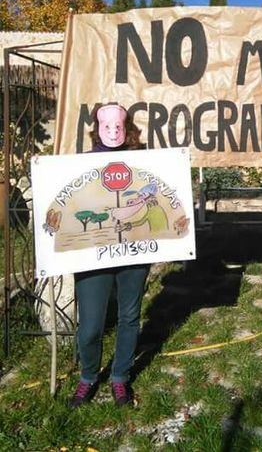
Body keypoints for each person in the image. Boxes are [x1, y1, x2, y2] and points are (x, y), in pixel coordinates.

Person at [70, 104, 150, 408]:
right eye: (107, 126)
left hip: (133, 252)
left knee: (130, 316)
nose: (114, 131)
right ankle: (88, 377)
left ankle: (120, 379)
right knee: (90, 325)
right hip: (94, 256)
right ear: (97, 129)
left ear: (127, 128)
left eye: (119, 126)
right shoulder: (81, 166)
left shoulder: (145, 162)